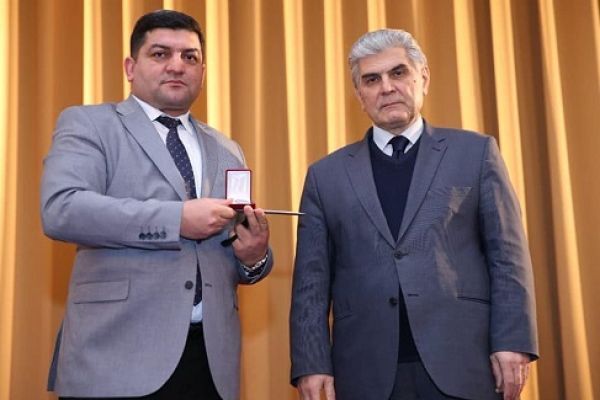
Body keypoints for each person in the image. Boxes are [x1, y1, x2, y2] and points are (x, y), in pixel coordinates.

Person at [289, 29, 538, 400]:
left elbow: (508, 256)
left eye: (398, 72)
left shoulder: (476, 153)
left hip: (463, 362)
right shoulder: (325, 176)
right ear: (359, 95)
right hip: (364, 372)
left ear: (424, 77)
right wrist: (311, 362)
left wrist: (513, 340)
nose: (387, 87)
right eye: (372, 80)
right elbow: (310, 282)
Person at [41, 10, 272, 400]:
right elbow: (62, 209)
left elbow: (234, 251)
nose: (177, 66)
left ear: (202, 72)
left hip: (210, 364)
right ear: (130, 67)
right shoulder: (89, 124)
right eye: (160, 54)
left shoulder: (228, 148)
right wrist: (176, 219)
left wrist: (254, 257)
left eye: (189, 57)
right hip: (114, 357)